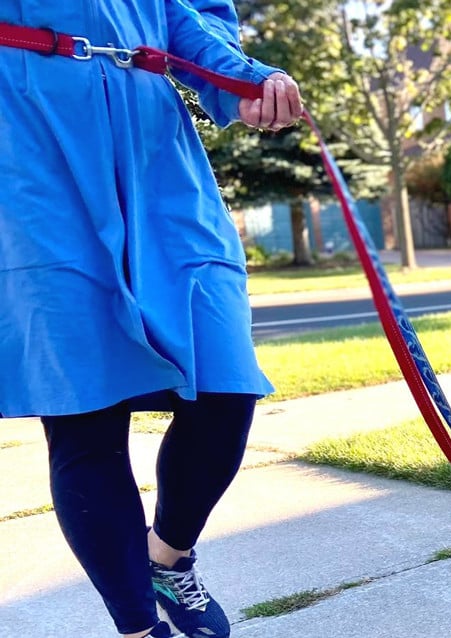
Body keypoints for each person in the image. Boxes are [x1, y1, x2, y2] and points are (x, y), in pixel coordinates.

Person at [0, 2, 302, 637]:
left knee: (226, 390)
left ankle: (166, 557)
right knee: (86, 416)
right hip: (29, 155)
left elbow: (188, 14)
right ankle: (139, 627)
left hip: (158, 156)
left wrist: (240, 78)